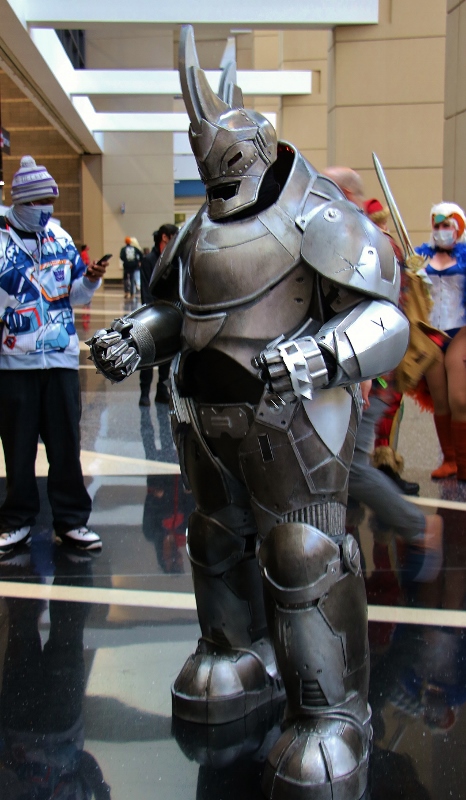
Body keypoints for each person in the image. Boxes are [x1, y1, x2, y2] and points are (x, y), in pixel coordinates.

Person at [88, 26, 410, 800]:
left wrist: (321, 355)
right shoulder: (200, 229)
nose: (217, 174)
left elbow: (384, 320)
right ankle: (234, 652)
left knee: (304, 555)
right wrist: (139, 334)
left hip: (293, 426)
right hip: (207, 423)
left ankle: (334, 712)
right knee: (214, 538)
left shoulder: (318, 218)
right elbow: (181, 311)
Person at [0, 155, 107, 553]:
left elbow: (72, 296)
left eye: (51, 201)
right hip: (14, 363)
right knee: (19, 447)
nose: (46, 209)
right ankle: (17, 520)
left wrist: (90, 281)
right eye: (39, 201)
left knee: (65, 447)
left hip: (60, 359)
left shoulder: (60, 238)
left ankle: (72, 520)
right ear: (22, 202)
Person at [415, 203, 466, 479]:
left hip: (461, 332)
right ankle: (449, 459)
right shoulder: (421, 258)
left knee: (459, 398)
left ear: (457, 228)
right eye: (437, 225)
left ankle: (464, 461)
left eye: (447, 225)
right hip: (431, 333)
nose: (441, 231)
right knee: (440, 399)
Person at [138, 223, 178, 406]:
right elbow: (146, 290)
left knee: (165, 359)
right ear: (165, 237)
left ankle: (161, 391)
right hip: (151, 314)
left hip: (167, 313)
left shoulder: (171, 259)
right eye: (173, 236)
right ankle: (144, 393)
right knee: (146, 357)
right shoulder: (149, 260)